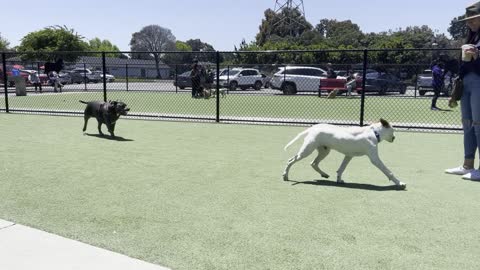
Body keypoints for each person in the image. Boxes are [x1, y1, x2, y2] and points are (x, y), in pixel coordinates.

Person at [445, 1, 480, 180]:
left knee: (478, 125)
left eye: (473, 19)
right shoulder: (471, 37)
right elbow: (464, 65)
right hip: (466, 84)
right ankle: (468, 165)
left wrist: (478, 55)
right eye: (468, 20)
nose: (469, 23)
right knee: (467, 124)